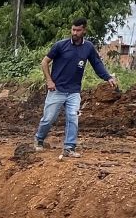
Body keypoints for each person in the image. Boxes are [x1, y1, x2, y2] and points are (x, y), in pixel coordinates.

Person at [35, 19, 115, 158]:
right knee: (49, 118)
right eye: (73, 30)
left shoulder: (88, 47)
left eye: (78, 30)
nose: (75, 33)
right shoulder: (60, 45)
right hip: (57, 89)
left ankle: (69, 147)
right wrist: (49, 80)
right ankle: (39, 139)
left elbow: (97, 64)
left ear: (84, 30)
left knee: (73, 117)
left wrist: (108, 77)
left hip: (74, 91)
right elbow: (45, 62)